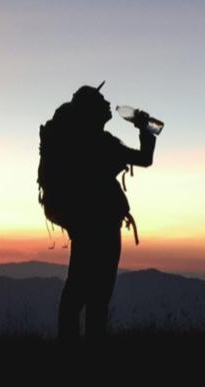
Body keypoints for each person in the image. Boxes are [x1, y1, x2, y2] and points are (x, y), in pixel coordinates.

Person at [47, 83, 157, 342]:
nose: (108, 104)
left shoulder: (81, 142)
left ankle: (70, 348)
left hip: (84, 225)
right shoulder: (99, 143)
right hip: (102, 227)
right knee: (97, 293)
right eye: (101, 102)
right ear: (91, 111)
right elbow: (145, 159)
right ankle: (89, 350)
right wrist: (145, 127)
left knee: (78, 290)